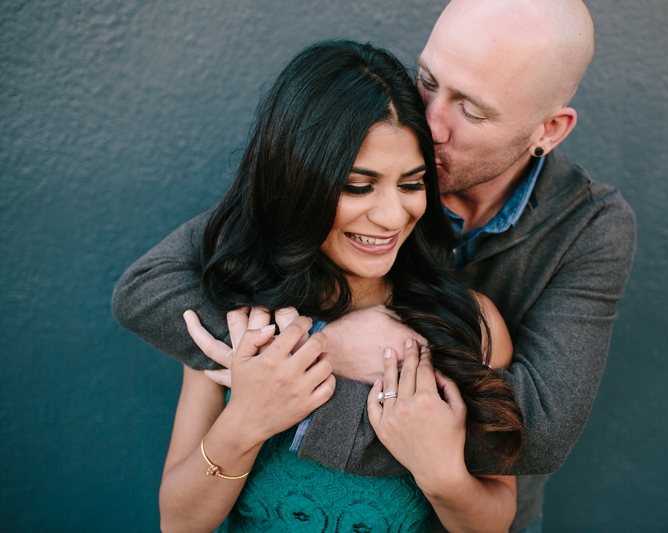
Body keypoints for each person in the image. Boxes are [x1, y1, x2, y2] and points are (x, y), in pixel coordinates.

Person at [112, 0, 637, 531]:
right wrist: (310, 349)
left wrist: (393, 379)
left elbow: (538, 433)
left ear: (549, 129)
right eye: (428, 81)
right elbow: (146, 291)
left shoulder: (588, 230)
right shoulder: (254, 288)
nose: (428, 125)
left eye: (471, 111)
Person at [155, 40, 524, 533]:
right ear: (298, 181)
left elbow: (495, 521)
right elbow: (179, 524)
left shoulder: (467, 324)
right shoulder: (241, 315)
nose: (394, 215)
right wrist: (246, 422)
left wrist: (441, 474)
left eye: (412, 184)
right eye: (358, 186)